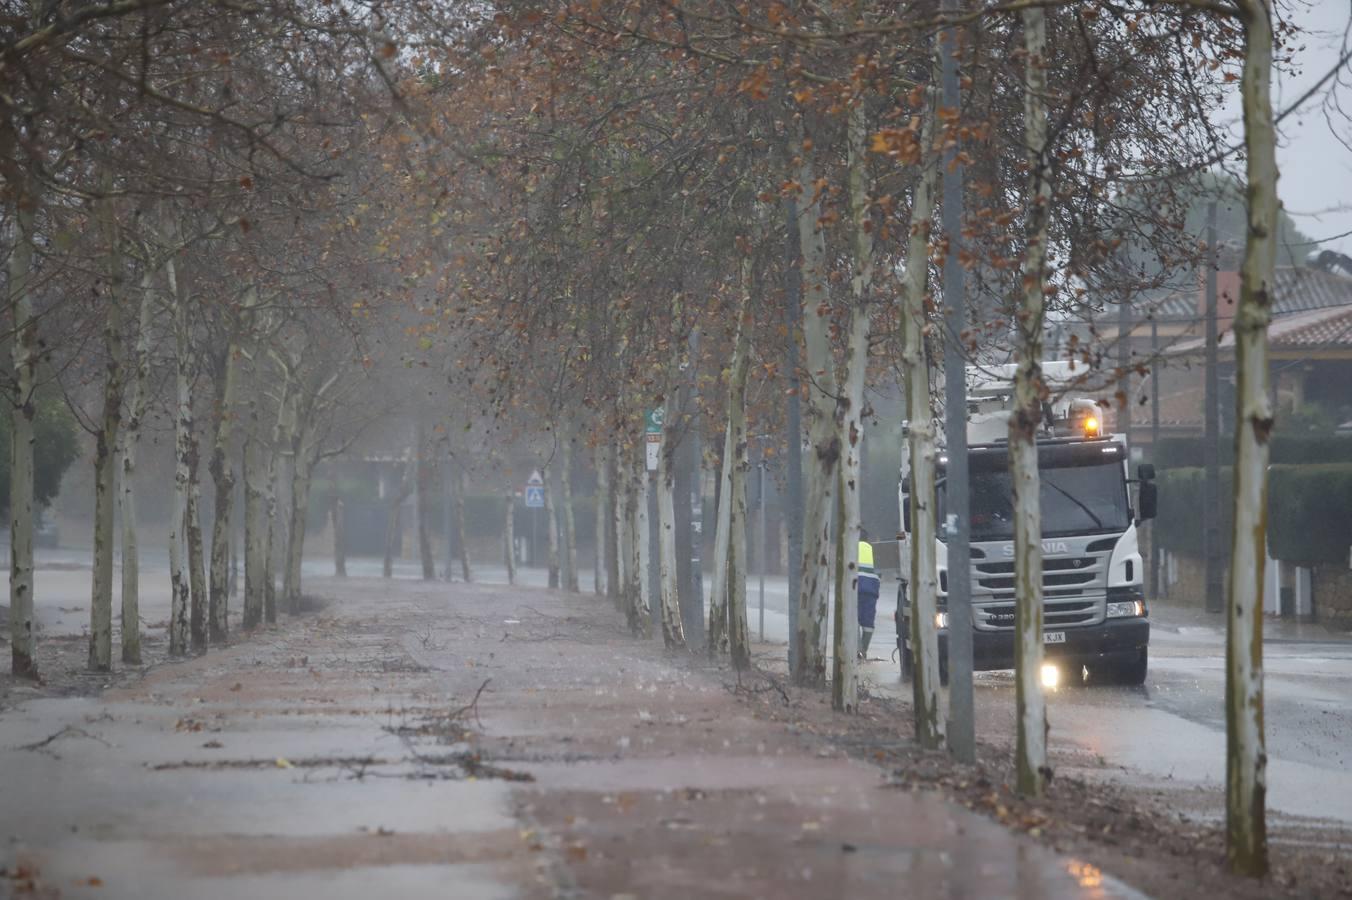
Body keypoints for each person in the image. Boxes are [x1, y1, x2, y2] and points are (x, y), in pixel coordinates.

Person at [857, 528, 880, 659]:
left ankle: (854, 650)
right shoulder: (874, 550)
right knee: (868, 624)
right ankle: (862, 652)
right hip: (871, 591)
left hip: (855, 589)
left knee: (852, 620)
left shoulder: (850, 548)